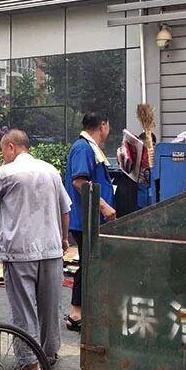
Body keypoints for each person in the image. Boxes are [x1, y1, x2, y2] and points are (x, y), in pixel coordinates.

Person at [0, 129, 71, 370]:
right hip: (51, 248)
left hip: (19, 250)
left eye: (3, 151)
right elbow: (65, 209)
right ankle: (49, 354)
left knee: (23, 309)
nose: (3, 156)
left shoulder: (6, 172)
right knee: (50, 306)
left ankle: (29, 362)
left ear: (11, 147)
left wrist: (3, 168)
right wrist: (64, 239)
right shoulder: (51, 171)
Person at [63, 113, 116, 332]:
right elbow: (79, 181)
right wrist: (103, 206)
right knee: (88, 264)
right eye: (108, 126)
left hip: (90, 217)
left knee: (91, 263)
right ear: (103, 126)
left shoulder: (90, 147)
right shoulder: (82, 148)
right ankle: (76, 313)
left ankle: (85, 311)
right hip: (85, 217)